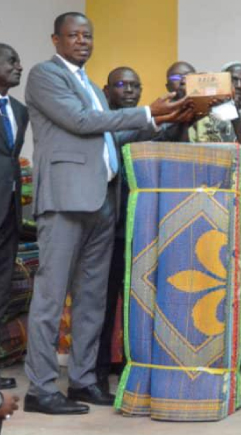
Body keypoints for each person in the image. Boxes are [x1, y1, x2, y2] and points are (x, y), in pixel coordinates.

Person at [23, 12, 188, 415]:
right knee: (50, 297)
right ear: (56, 40)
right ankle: (41, 389)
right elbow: (81, 122)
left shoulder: (92, 88)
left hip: (101, 202)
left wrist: (167, 120)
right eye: (73, 35)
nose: (82, 41)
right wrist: (149, 111)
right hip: (64, 200)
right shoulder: (45, 76)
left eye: (87, 35)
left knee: (92, 301)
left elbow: (111, 133)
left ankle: (82, 381)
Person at [189, 61, 241, 392]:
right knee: (212, 296)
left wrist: (235, 119)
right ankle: (215, 364)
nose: (238, 85)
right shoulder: (201, 120)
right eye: (232, 80)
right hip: (207, 220)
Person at [93, 66, 144, 392]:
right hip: (103, 230)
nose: (130, 90)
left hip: (137, 229)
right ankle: (95, 373)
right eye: (122, 84)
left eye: (135, 85)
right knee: (102, 303)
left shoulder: (142, 124)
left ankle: (129, 365)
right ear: (106, 89)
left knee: (135, 301)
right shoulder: (101, 124)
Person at [0, 43, 27, 393]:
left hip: (10, 213)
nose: (19, 66)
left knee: (2, 292)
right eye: (11, 61)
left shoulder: (20, 110)